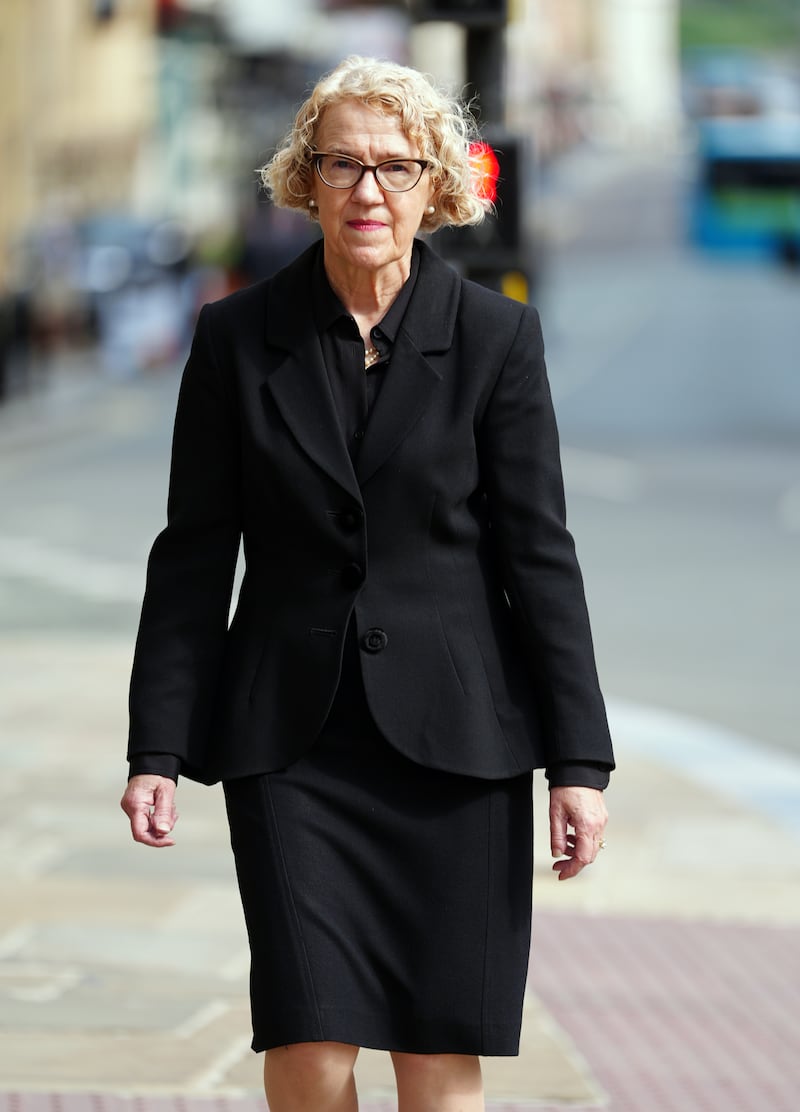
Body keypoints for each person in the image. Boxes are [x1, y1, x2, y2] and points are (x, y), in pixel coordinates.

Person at [121, 55, 614, 1112]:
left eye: (395, 166)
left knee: (436, 1065)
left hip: (459, 749)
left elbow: (537, 553)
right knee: (310, 1044)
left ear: (437, 184)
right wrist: (156, 744)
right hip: (291, 743)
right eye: (341, 163)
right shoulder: (235, 337)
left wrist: (577, 759)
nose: (368, 190)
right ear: (305, 180)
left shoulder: (494, 338)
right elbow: (195, 551)